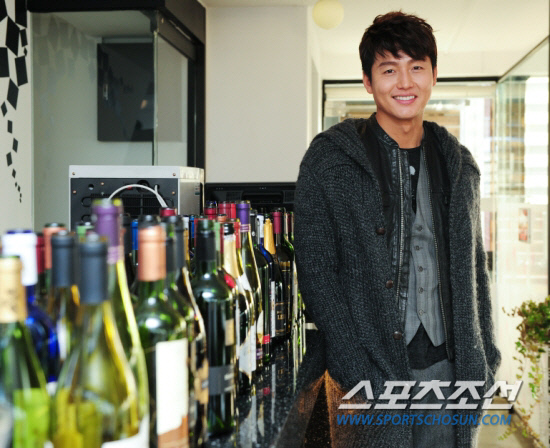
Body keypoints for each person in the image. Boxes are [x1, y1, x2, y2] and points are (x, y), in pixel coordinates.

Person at [294, 11, 501, 448]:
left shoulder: (460, 165)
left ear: (433, 75)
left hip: (449, 372)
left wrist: (486, 357)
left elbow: (474, 272)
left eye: (416, 67)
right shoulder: (329, 161)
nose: (405, 82)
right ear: (368, 82)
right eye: (389, 69)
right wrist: (355, 366)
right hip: (367, 373)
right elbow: (316, 271)